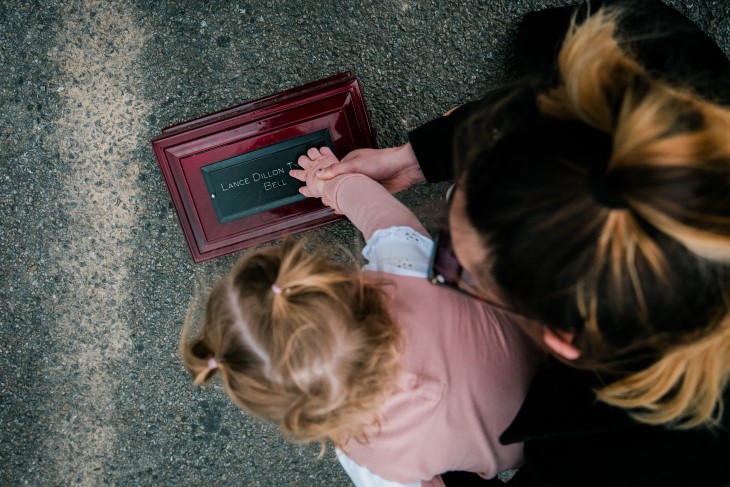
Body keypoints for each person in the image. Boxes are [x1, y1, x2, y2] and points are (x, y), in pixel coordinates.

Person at [308, 0, 730, 485]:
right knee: (557, 35)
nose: (435, 263)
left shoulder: (617, 462)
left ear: (561, 340)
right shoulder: (654, 66)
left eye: (451, 266)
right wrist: (414, 159)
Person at [180, 147, 538, 487]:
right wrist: (329, 182)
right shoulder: (401, 269)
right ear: (319, 276)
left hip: (531, 453)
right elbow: (377, 210)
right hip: (554, 352)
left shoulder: (370, 458)